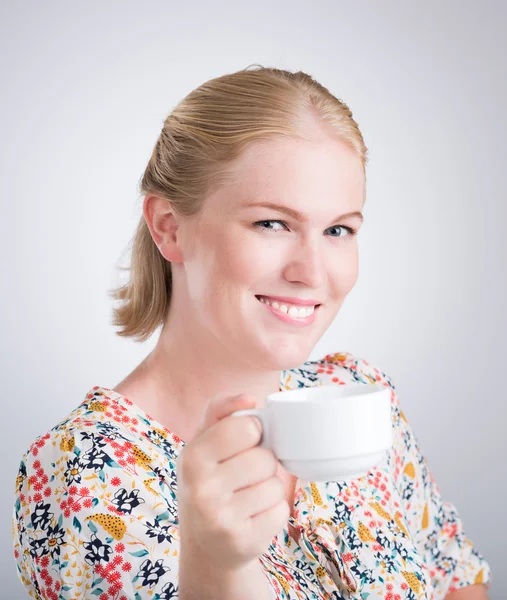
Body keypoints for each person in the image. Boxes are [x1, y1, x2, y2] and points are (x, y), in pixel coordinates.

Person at [12, 65, 492, 600]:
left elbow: (456, 579)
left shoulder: (357, 392)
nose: (312, 272)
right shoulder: (85, 470)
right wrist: (216, 570)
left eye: (338, 230)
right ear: (169, 226)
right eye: (272, 223)